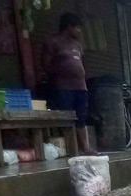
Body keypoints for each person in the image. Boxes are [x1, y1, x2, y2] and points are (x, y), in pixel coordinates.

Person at [43, 13, 96, 155]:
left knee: (81, 118)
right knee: (67, 118)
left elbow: (83, 64)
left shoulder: (78, 45)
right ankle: (72, 149)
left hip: (80, 87)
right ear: (69, 27)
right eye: (77, 27)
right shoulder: (53, 42)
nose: (80, 31)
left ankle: (85, 148)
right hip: (63, 87)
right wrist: (59, 76)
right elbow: (46, 65)